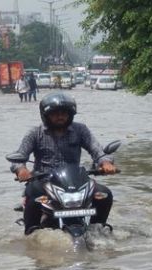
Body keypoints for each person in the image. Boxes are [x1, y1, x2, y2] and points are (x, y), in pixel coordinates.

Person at [10, 92, 117, 234]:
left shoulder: (80, 130)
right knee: (33, 194)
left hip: (75, 180)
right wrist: (21, 170)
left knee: (104, 194)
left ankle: (97, 229)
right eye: (55, 113)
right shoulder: (35, 133)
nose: (60, 116)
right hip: (44, 182)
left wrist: (105, 163)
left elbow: (97, 150)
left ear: (70, 114)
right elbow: (19, 157)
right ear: (46, 115)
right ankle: (31, 233)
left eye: (64, 113)